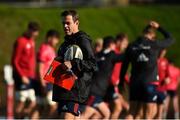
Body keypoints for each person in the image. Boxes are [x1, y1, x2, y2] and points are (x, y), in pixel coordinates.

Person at [120, 21, 174, 119]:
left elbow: (124, 65)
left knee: (132, 112)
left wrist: (121, 82)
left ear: (143, 33)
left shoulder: (131, 46)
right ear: (152, 35)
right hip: (149, 82)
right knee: (148, 114)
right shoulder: (154, 44)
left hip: (135, 82)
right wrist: (159, 27)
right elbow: (171, 39)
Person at [52, 10, 97, 119]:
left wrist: (73, 63)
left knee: (66, 117)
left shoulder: (83, 40)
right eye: (63, 23)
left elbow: (92, 64)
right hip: (64, 89)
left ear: (76, 23)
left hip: (75, 91)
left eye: (68, 23)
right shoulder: (64, 43)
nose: (65, 26)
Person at [82, 36, 124, 119]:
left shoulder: (97, 56)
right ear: (111, 45)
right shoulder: (110, 55)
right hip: (94, 91)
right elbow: (124, 57)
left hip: (96, 92)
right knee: (84, 116)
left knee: (106, 114)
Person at [12, 21, 39, 118]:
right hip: (21, 76)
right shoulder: (20, 41)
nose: (35, 34)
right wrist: (21, 75)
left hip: (31, 77)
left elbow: (31, 60)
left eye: (36, 32)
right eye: (33, 31)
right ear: (29, 30)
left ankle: (23, 116)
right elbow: (15, 61)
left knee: (33, 102)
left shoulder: (32, 41)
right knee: (21, 102)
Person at [32, 29, 60, 119]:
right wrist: (42, 84)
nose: (57, 41)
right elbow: (40, 68)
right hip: (45, 83)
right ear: (49, 38)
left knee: (40, 108)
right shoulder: (44, 49)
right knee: (53, 107)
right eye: (55, 38)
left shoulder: (51, 49)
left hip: (48, 82)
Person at [104, 33, 129, 119]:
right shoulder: (113, 54)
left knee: (104, 111)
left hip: (113, 86)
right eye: (124, 44)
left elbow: (122, 73)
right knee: (118, 107)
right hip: (109, 85)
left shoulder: (119, 56)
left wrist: (129, 82)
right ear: (118, 42)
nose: (125, 46)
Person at [155, 49, 169, 119]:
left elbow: (167, 74)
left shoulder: (165, 61)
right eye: (161, 51)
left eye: (164, 51)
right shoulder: (153, 59)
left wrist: (167, 79)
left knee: (160, 112)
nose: (162, 53)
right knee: (152, 110)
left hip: (162, 88)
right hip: (153, 87)